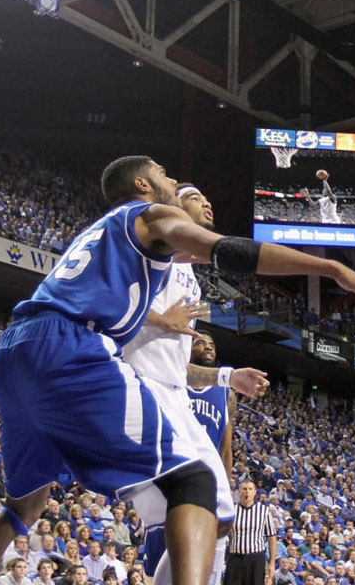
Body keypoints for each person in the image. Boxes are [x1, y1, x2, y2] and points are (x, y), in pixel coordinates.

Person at [0, 155, 355, 585]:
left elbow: (183, 258)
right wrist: (331, 267)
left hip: (15, 349)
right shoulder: (150, 214)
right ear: (143, 185)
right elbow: (229, 249)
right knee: (195, 482)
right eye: (164, 174)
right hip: (71, 347)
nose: (171, 180)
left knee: (22, 509)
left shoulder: (101, 231)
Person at [124, 182, 268, 585]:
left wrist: (227, 376)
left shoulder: (189, 274)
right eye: (194, 197)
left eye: (208, 198)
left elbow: (180, 365)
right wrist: (157, 319)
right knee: (194, 516)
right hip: (142, 390)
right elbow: (111, 302)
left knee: (220, 518)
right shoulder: (152, 251)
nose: (207, 202)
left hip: (171, 393)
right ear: (173, 207)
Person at [187, 328, 240, 585]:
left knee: (220, 530)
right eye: (200, 343)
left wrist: (226, 485)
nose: (208, 347)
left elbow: (226, 449)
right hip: (178, 468)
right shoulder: (175, 383)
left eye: (211, 344)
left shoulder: (225, 393)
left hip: (209, 473)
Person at [225, 479, 276, 585]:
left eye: (250, 489)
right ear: (239, 491)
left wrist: (272, 563)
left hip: (256, 559)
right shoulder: (232, 510)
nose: (247, 492)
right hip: (235, 558)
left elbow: (272, 537)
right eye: (244, 489)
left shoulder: (264, 510)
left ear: (255, 492)